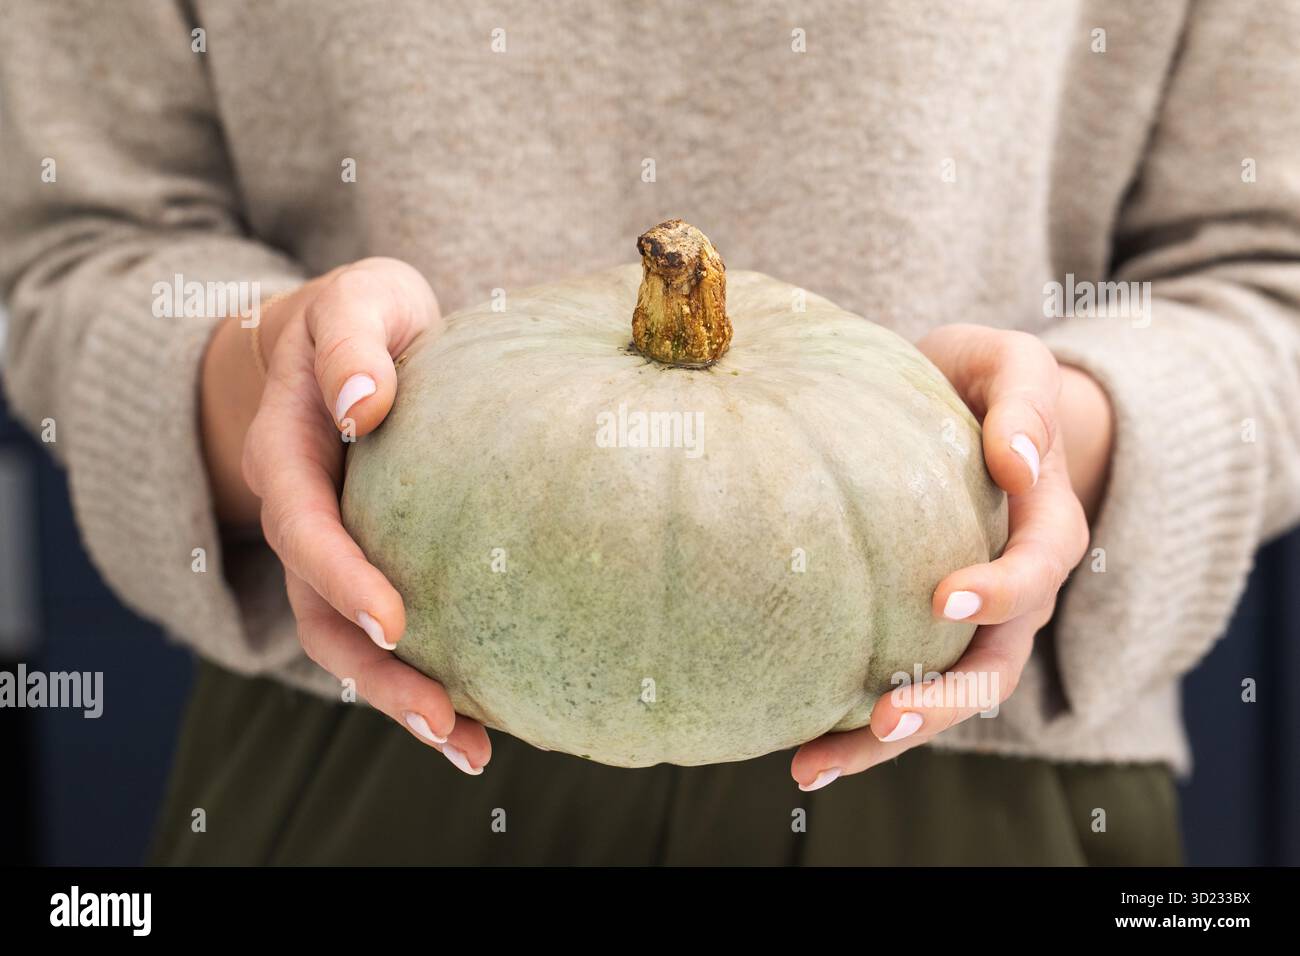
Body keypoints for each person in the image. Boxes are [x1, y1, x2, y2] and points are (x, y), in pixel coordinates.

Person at [1, 1, 1297, 865]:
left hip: (980, 782)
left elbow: (1269, 272)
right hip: (366, 756)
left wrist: (1059, 439)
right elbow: (85, 240)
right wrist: (266, 370)